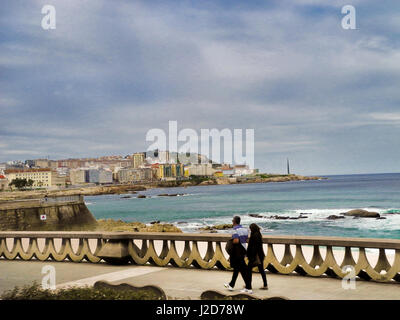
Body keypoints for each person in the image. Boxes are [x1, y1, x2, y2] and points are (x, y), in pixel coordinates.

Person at [224, 216, 252, 294]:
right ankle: (231, 285)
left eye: (232, 220)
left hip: (237, 253)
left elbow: (236, 241)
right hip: (243, 251)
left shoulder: (235, 230)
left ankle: (249, 288)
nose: (232, 221)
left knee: (243, 271)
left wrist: (230, 242)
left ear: (234, 222)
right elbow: (247, 240)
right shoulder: (245, 229)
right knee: (237, 269)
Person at [246, 223, 268, 290]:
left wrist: (250, 256)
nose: (250, 230)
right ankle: (265, 285)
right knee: (261, 270)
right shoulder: (258, 234)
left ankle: (248, 286)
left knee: (249, 270)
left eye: (250, 229)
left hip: (255, 256)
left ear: (252, 229)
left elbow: (253, 247)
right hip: (260, 255)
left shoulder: (254, 235)